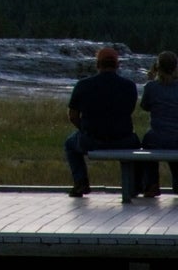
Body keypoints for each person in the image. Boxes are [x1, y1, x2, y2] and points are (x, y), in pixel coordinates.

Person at [66, 46, 141, 198]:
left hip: (91, 140)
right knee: (138, 143)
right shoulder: (129, 86)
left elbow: (73, 115)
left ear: (97, 64)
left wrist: (84, 129)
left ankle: (81, 182)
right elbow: (129, 110)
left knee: (70, 144)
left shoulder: (83, 85)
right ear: (117, 65)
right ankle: (135, 185)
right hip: (123, 140)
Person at [139, 52, 178, 197]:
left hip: (157, 136)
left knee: (147, 142)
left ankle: (151, 183)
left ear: (157, 67)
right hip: (176, 137)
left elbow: (145, 106)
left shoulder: (151, 87)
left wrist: (151, 80)